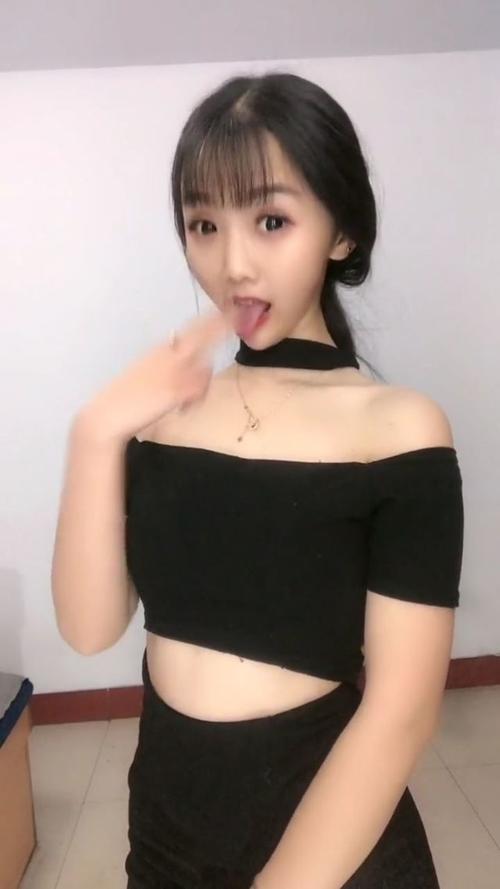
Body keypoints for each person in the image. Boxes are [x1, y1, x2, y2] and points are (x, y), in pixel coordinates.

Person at [51, 71, 464, 889]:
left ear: (341, 231)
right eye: (204, 224)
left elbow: (403, 713)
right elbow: (90, 629)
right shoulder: (166, 413)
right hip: (166, 829)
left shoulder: (400, 427)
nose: (233, 262)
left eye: (271, 220)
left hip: (329, 843)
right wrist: (95, 433)